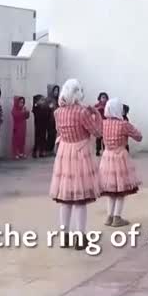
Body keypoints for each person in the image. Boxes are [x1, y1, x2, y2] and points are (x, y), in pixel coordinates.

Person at [48, 79, 102, 250]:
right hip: (80, 152)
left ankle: (64, 236)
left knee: (66, 198)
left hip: (65, 153)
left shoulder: (58, 112)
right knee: (80, 199)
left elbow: (59, 132)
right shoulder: (82, 112)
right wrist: (97, 115)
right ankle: (80, 237)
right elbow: (97, 132)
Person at [98, 98, 142, 227]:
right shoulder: (124, 124)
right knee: (121, 189)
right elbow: (139, 136)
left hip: (107, 157)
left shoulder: (103, 123)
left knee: (110, 189)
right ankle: (117, 217)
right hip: (120, 156)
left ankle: (109, 216)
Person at [46, 84, 60, 155]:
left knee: (56, 136)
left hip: (57, 120)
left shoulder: (58, 100)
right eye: (55, 90)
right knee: (50, 135)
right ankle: (48, 150)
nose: (56, 92)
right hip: (50, 120)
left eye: (57, 90)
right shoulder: (49, 100)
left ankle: (53, 149)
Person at [94, 92, 108, 156]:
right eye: (102, 97)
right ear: (99, 98)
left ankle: (105, 150)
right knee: (98, 138)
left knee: (105, 137)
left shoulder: (108, 105)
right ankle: (98, 150)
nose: (103, 99)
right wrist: (99, 108)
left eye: (105, 97)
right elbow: (93, 111)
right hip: (98, 123)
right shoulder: (97, 105)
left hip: (106, 123)